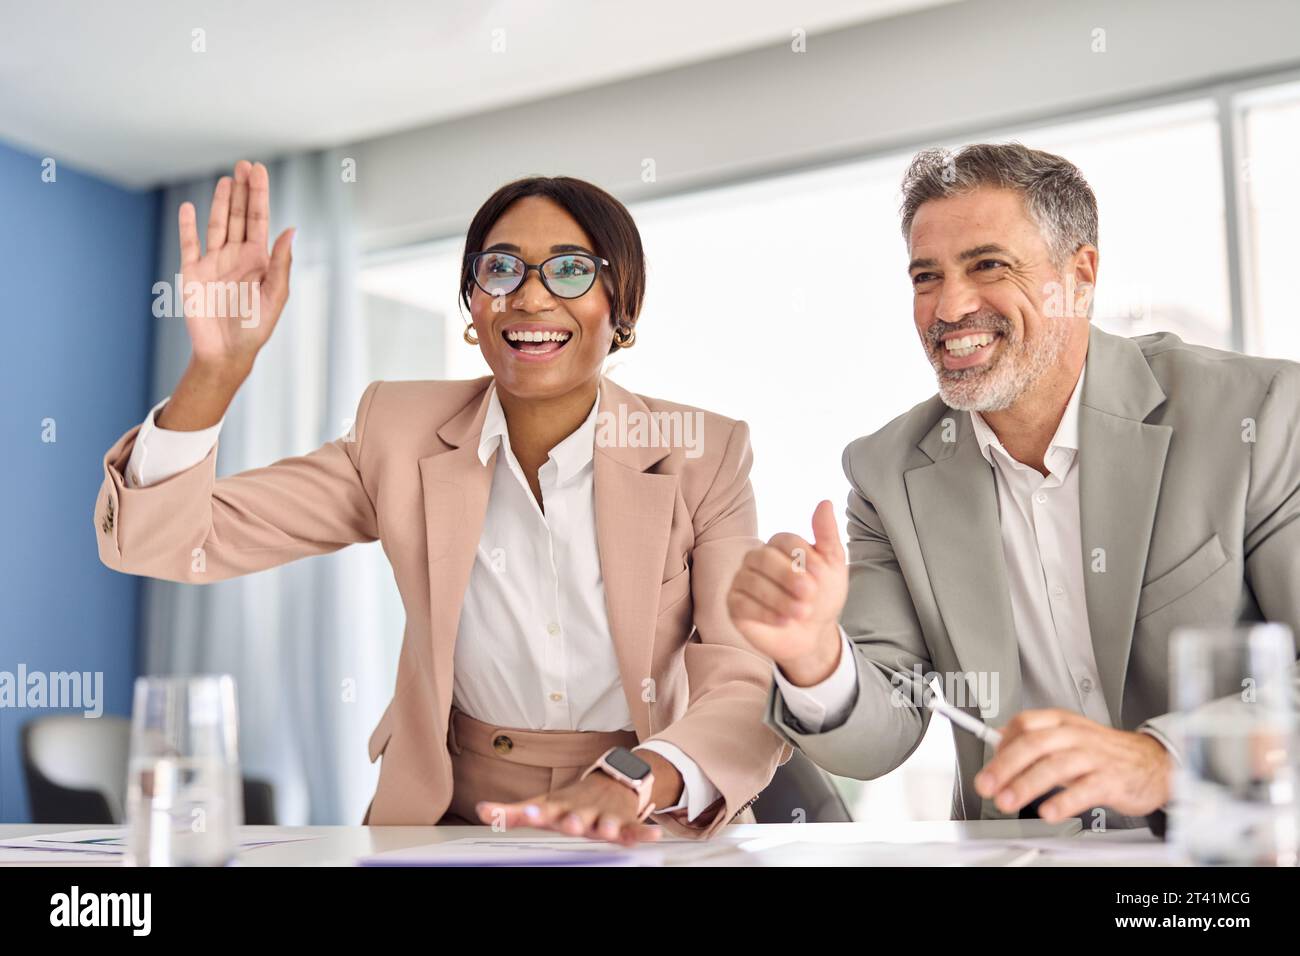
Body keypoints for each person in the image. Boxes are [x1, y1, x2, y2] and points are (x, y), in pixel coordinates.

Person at [95, 161, 787, 843]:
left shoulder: (701, 452)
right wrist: (216, 373)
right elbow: (167, 540)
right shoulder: (396, 433)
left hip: (647, 810)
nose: (532, 298)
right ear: (473, 305)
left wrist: (636, 776)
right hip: (451, 817)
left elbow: (743, 685)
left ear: (623, 307)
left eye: (572, 269)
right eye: (501, 269)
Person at [727, 143, 1299, 829]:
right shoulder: (888, 473)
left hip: (1229, 851)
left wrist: (1160, 761)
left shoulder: (1256, 415)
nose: (949, 307)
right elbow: (883, 732)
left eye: (987, 265)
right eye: (926, 277)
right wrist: (813, 654)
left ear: (1080, 276)